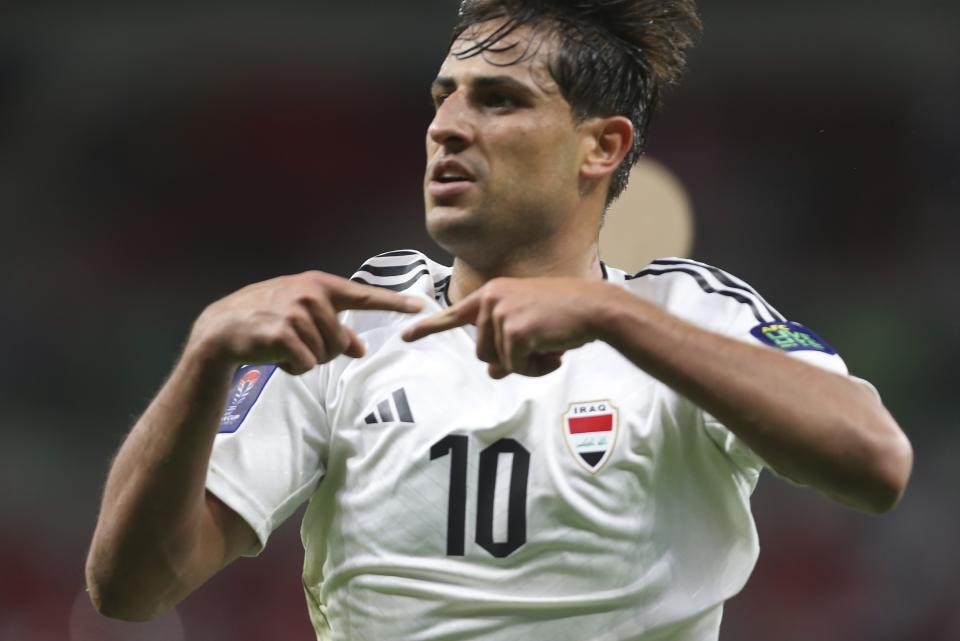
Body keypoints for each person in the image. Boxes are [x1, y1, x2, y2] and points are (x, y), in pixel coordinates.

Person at [86, 1, 913, 639]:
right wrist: (202, 362)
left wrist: (606, 313)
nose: (447, 126)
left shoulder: (686, 313)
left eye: (499, 100)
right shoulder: (354, 328)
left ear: (602, 146)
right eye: (443, 98)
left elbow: (875, 462)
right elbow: (129, 589)